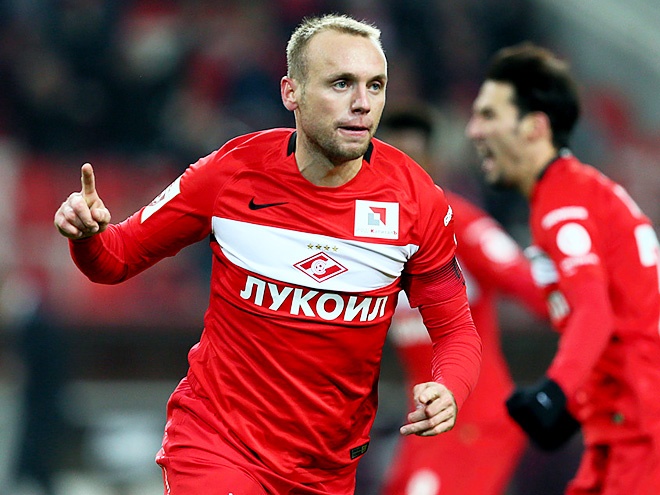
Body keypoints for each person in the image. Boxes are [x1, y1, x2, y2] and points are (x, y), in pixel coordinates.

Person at [53, 14, 482, 495]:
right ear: (291, 92)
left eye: (375, 85)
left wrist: (449, 387)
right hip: (218, 445)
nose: (362, 103)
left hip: (326, 469)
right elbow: (116, 258)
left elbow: (456, 330)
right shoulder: (230, 174)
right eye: (341, 83)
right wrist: (87, 236)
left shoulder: (416, 202)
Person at [466, 42, 660, 495]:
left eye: (489, 115)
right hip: (623, 416)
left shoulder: (564, 204)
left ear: (535, 127)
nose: (474, 130)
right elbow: (626, 315)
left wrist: (552, 391)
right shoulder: (576, 193)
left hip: (641, 424)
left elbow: (595, 313)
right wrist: (572, 407)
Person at [375, 108, 547, 495]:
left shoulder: (460, 223)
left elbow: (532, 288)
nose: (400, 176)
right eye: (390, 162)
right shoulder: (372, 236)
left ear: (433, 164)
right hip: (427, 419)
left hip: (474, 417)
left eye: (413, 162)